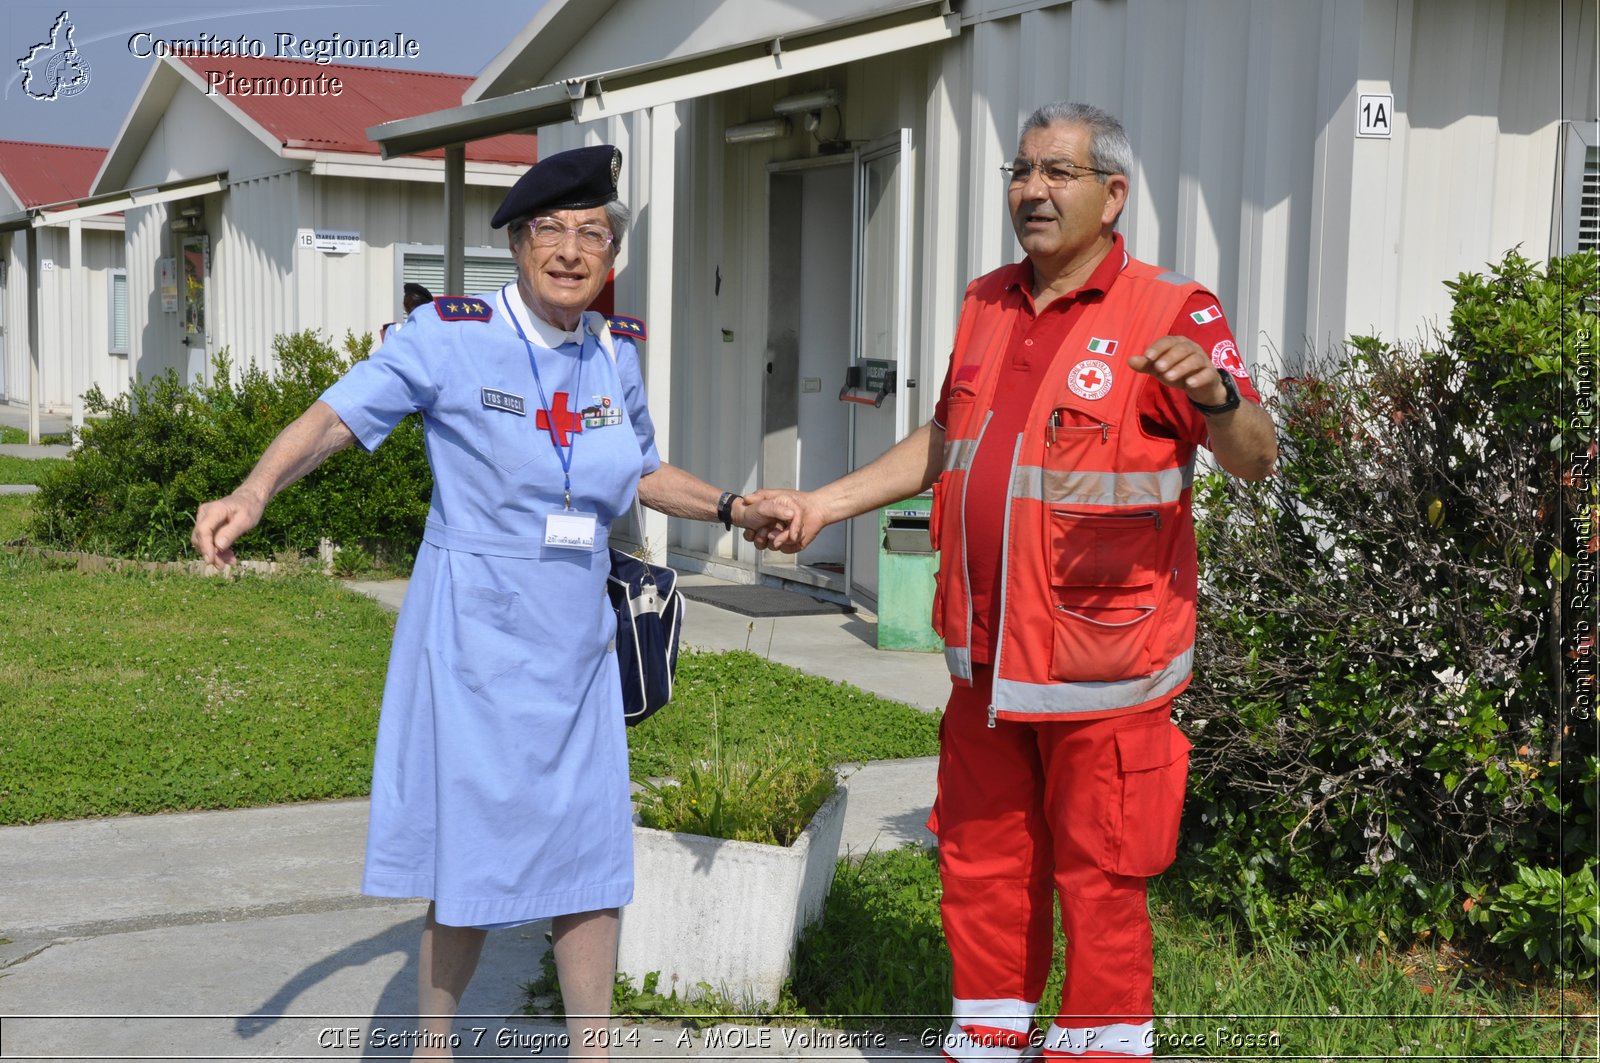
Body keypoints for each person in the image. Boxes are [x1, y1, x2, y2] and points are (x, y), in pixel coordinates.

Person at [191, 145, 785, 1061]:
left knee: (591, 857)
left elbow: (640, 469)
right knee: (471, 859)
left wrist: (734, 507)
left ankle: (595, 1048)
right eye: (553, 230)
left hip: (577, 642)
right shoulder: (450, 336)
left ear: (611, 255)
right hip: (474, 636)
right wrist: (255, 491)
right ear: (517, 241)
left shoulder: (612, 353)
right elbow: (335, 417)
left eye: (595, 233)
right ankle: (436, 1047)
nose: (573, 250)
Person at [746, 102, 1277, 1061]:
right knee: (983, 858)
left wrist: (1217, 393)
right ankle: (989, 1033)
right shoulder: (987, 301)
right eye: (1021, 171)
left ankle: (1102, 1041)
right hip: (987, 654)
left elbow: (1256, 458)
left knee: (1100, 869)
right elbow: (950, 440)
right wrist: (827, 504)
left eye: (1058, 173)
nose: (1032, 190)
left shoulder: (1172, 310)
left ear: (1113, 195)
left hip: (1106, 662)